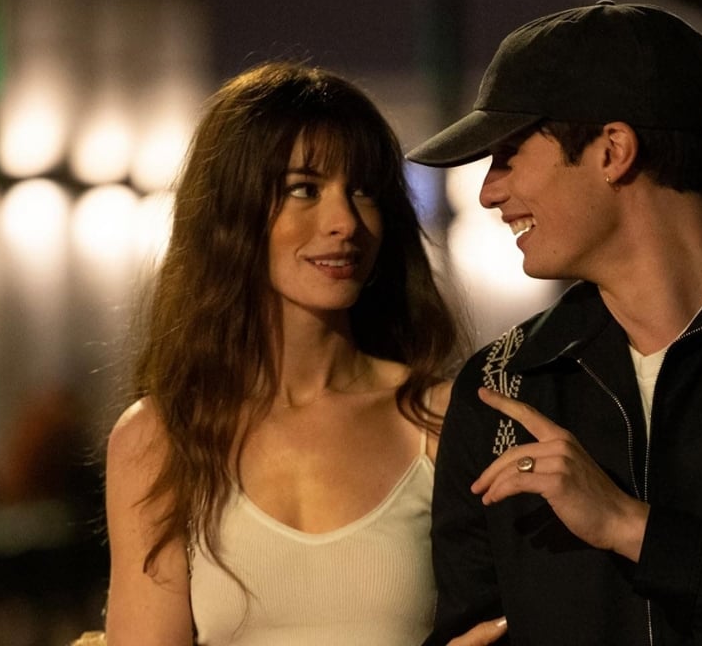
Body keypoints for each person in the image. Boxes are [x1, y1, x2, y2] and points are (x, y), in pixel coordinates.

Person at [407, 1, 702, 645]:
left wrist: (631, 528)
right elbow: (469, 626)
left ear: (613, 150)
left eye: (508, 154)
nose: (488, 191)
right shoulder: (503, 386)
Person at [103, 61, 507, 645]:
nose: (345, 222)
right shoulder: (160, 439)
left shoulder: (441, 419)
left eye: (363, 191)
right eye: (304, 189)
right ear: (232, 211)